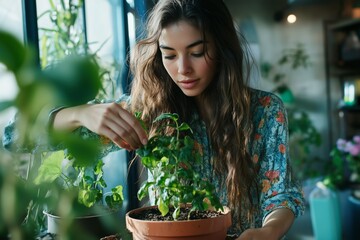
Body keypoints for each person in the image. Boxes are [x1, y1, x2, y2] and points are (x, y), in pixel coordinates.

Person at [3, 0, 305, 239]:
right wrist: (78, 114)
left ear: (222, 48)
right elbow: (16, 136)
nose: (183, 68)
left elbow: (280, 196)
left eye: (197, 52)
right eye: (169, 55)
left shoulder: (265, 111)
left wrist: (267, 232)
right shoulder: (147, 111)